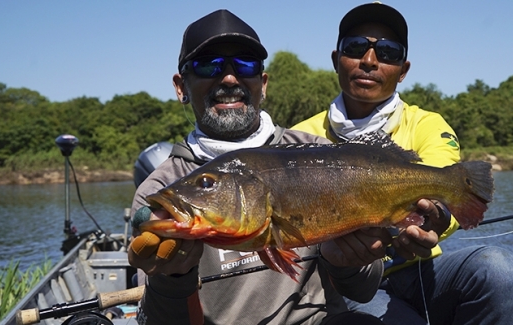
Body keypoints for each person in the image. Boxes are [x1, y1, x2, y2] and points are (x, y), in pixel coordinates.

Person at [127, 9, 389, 325]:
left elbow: (364, 291)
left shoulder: (319, 155)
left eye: (245, 64)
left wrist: (346, 262)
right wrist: (172, 279)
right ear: (181, 86)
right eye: (207, 65)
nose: (228, 78)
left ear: (262, 84)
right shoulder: (161, 190)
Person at [292, 3, 513, 324]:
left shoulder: (428, 124)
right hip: (348, 282)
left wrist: (437, 218)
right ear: (336, 60)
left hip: (423, 268)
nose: (369, 61)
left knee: (498, 269)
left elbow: (446, 189)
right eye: (356, 47)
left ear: (403, 70)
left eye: (388, 52)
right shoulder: (299, 137)